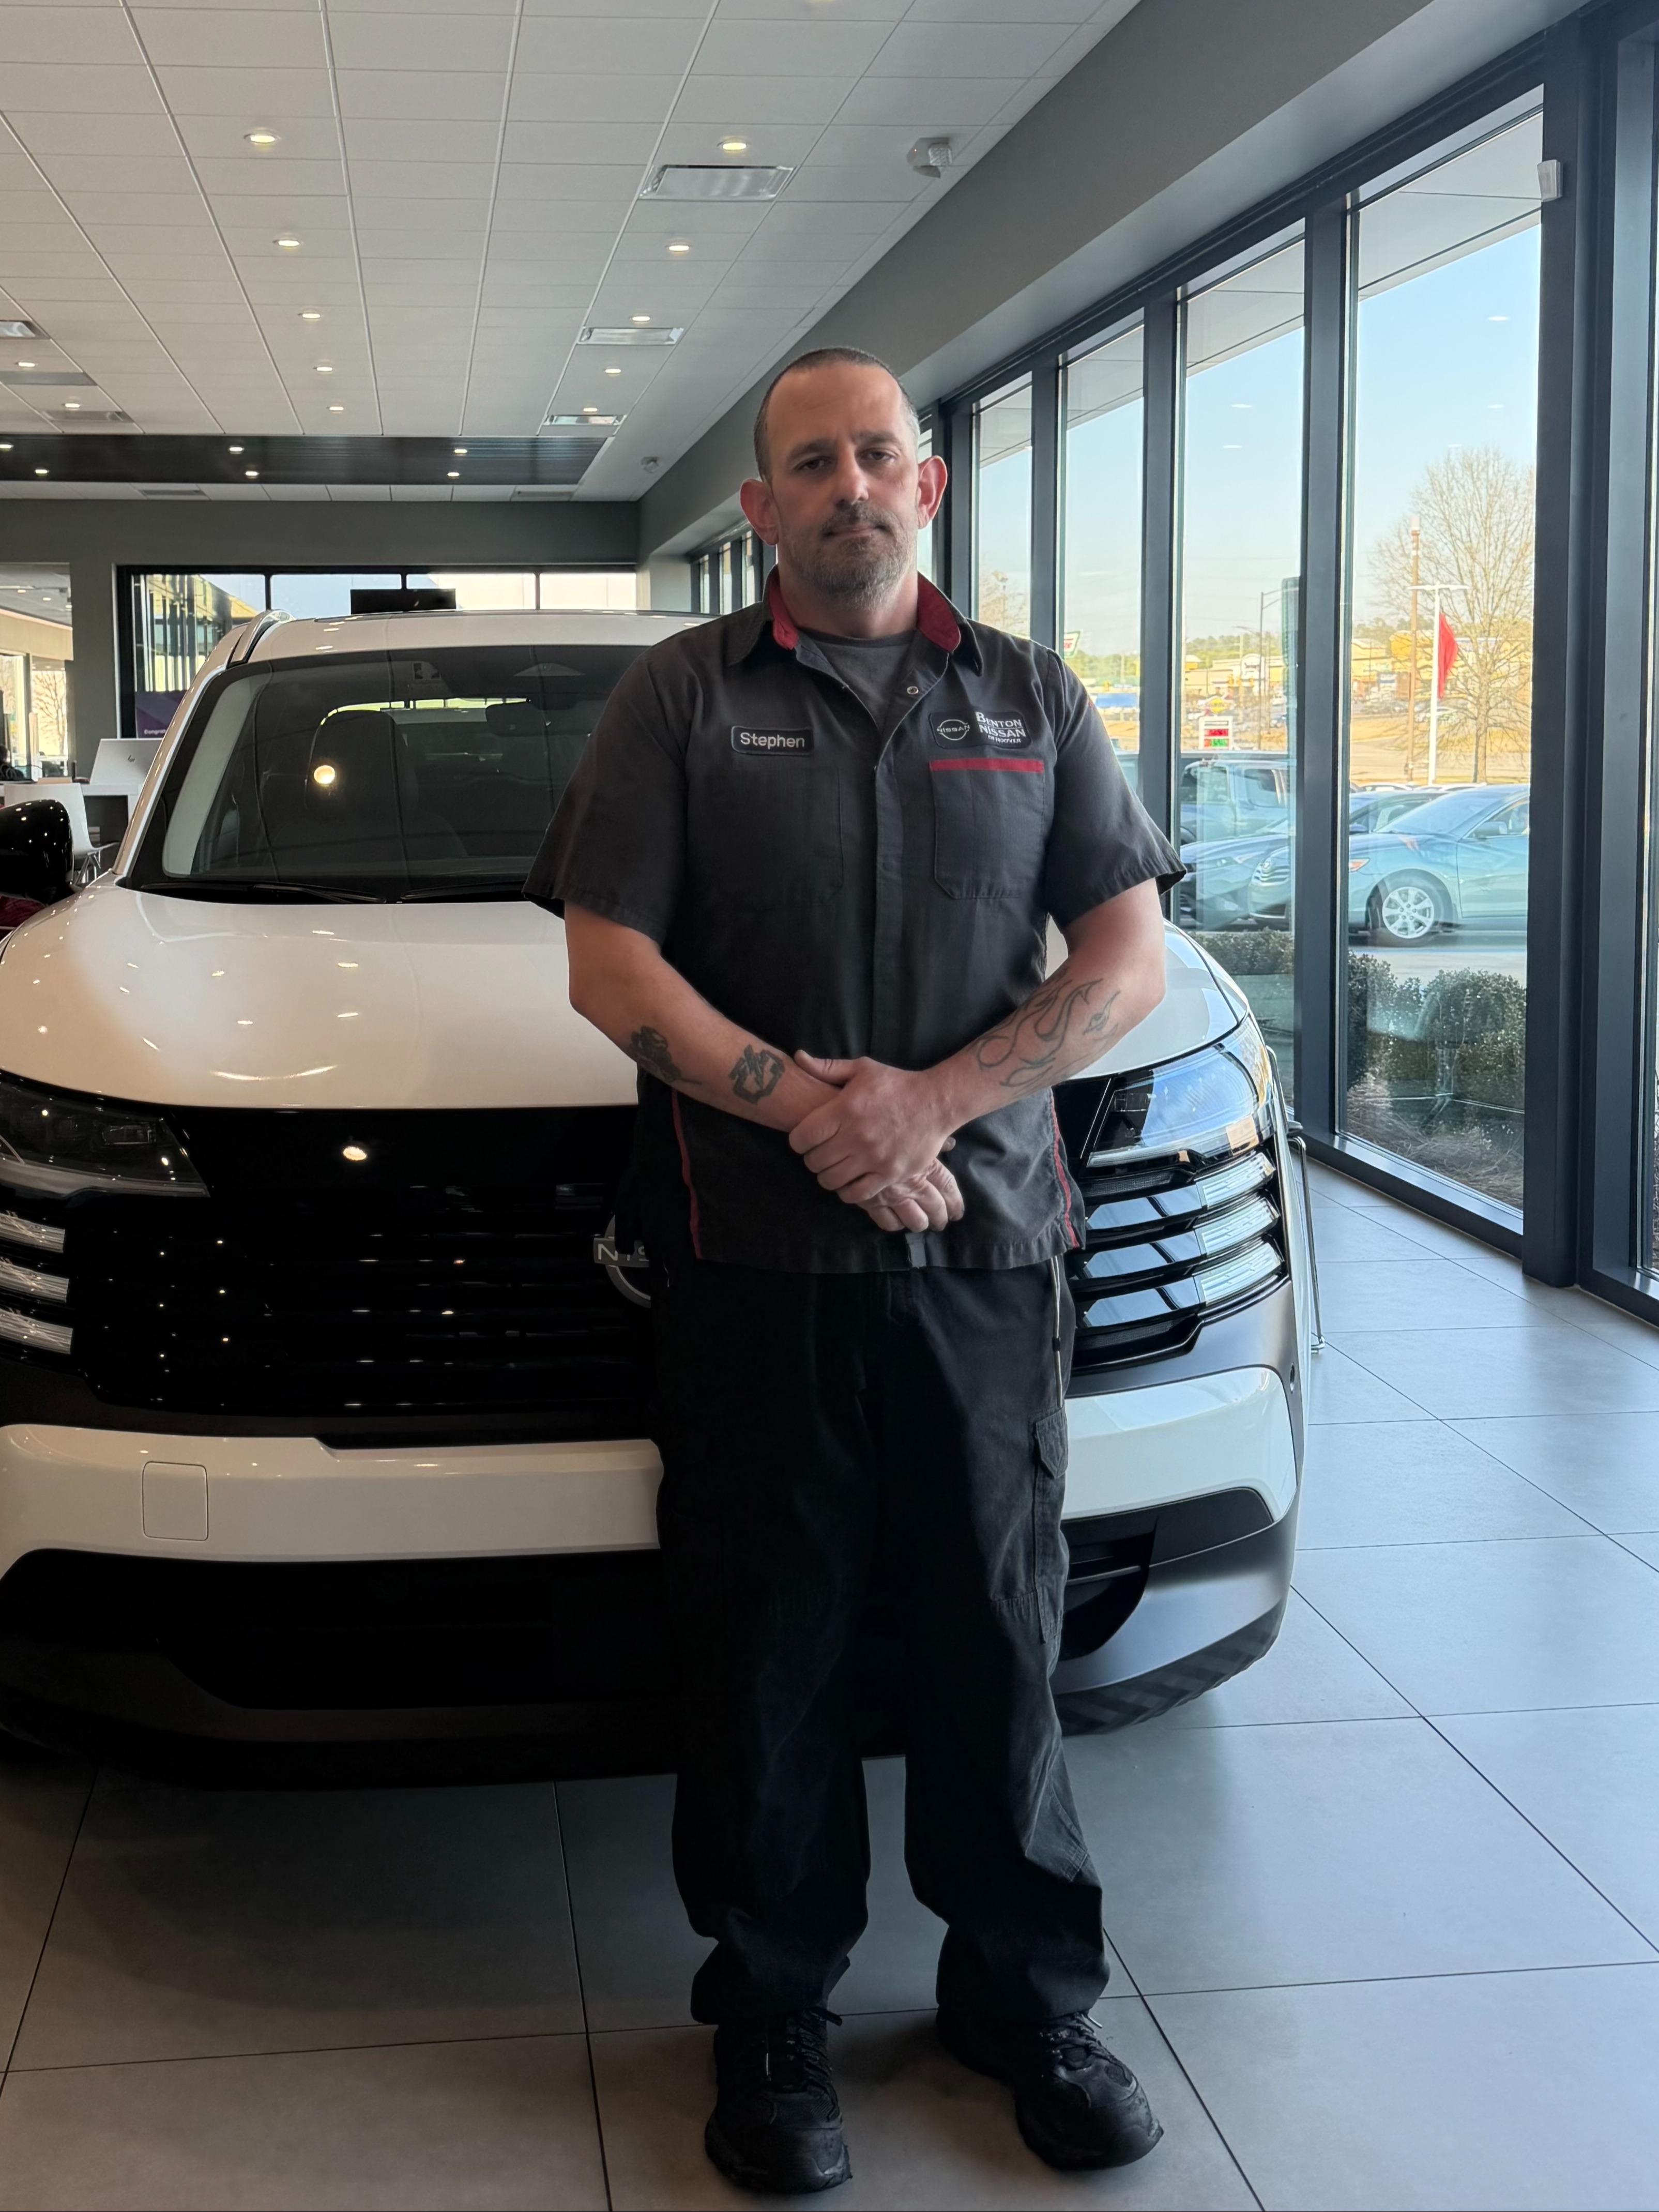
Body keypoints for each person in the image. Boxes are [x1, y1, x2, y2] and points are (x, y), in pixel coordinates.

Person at [527, 345, 1181, 2195]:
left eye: (877, 454)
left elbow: (1120, 955)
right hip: (751, 1259)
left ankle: (1023, 1998)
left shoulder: (1033, 697)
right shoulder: (676, 699)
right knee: (771, 1643)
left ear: (929, 482)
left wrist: (932, 1107)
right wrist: (809, 1114)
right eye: (808, 464)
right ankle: (775, 2009)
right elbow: (610, 967)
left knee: (995, 1629)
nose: (848, 486)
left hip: (987, 1259)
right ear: (758, 510)